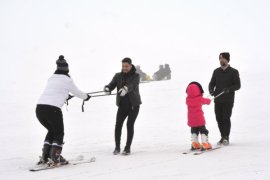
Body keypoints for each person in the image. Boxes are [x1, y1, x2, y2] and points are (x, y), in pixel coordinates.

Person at [36, 55, 90, 166]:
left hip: (40, 108)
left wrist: (65, 96)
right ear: (66, 69)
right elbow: (78, 93)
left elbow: (54, 92)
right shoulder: (67, 80)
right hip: (53, 110)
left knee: (52, 130)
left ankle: (46, 156)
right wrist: (86, 97)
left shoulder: (51, 78)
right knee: (59, 133)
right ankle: (55, 157)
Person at [104, 57, 142, 155]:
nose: (124, 68)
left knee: (129, 125)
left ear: (130, 65)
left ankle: (127, 148)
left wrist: (125, 89)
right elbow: (111, 85)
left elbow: (133, 85)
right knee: (118, 126)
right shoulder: (118, 76)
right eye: (123, 66)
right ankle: (117, 147)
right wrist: (108, 88)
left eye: (126, 66)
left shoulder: (136, 75)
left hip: (134, 106)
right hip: (122, 106)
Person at [209, 52, 241, 145]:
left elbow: (238, 85)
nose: (221, 60)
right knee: (218, 118)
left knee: (226, 118)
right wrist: (211, 90)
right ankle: (222, 136)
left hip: (228, 100)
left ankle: (226, 137)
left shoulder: (234, 72)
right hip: (218, 99)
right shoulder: (216, 71)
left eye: (223, 59)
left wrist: (229, 89)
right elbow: (211, 83)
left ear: (227, 60)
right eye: (220, 59)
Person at [186, 82, 212, 150]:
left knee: (194, 131)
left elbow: (195, 101)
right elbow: (207, 101)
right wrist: (208, 100)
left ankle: (195, 144)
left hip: (191, 119)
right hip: (199, 119)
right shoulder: (200, 98)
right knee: (203, 131)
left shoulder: (187, 99)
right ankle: (205, 143)